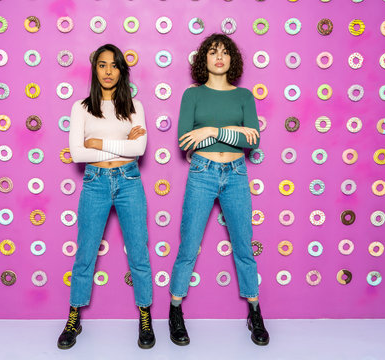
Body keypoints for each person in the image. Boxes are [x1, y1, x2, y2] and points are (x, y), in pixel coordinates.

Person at [168, 33, 269, 346]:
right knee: (189, 244)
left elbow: (254, 140)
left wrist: (211, 131)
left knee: (243, 245)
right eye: (213, 52)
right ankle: (175, 310)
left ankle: (255, 311)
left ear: (232, 59)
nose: (219, 57)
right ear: (204, 59)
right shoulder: (192, 96)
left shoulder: (244, 96)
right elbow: (186, 138)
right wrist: (235, 132)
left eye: (225, 52)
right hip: (202, 173)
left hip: (237, 173)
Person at [57, 44, 155, 350]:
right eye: (102, 65)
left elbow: (138, 150)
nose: (108, 71)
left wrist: (98, 141)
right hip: (95, 182)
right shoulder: (81, 107)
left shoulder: (135, 106)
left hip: (129, 181)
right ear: (95, 69)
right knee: (85, 253)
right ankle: (74, 317)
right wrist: (119, 142)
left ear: (121, 70)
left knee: (139, 253)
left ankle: (145, 315)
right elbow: (77, 152)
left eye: (113, 65)